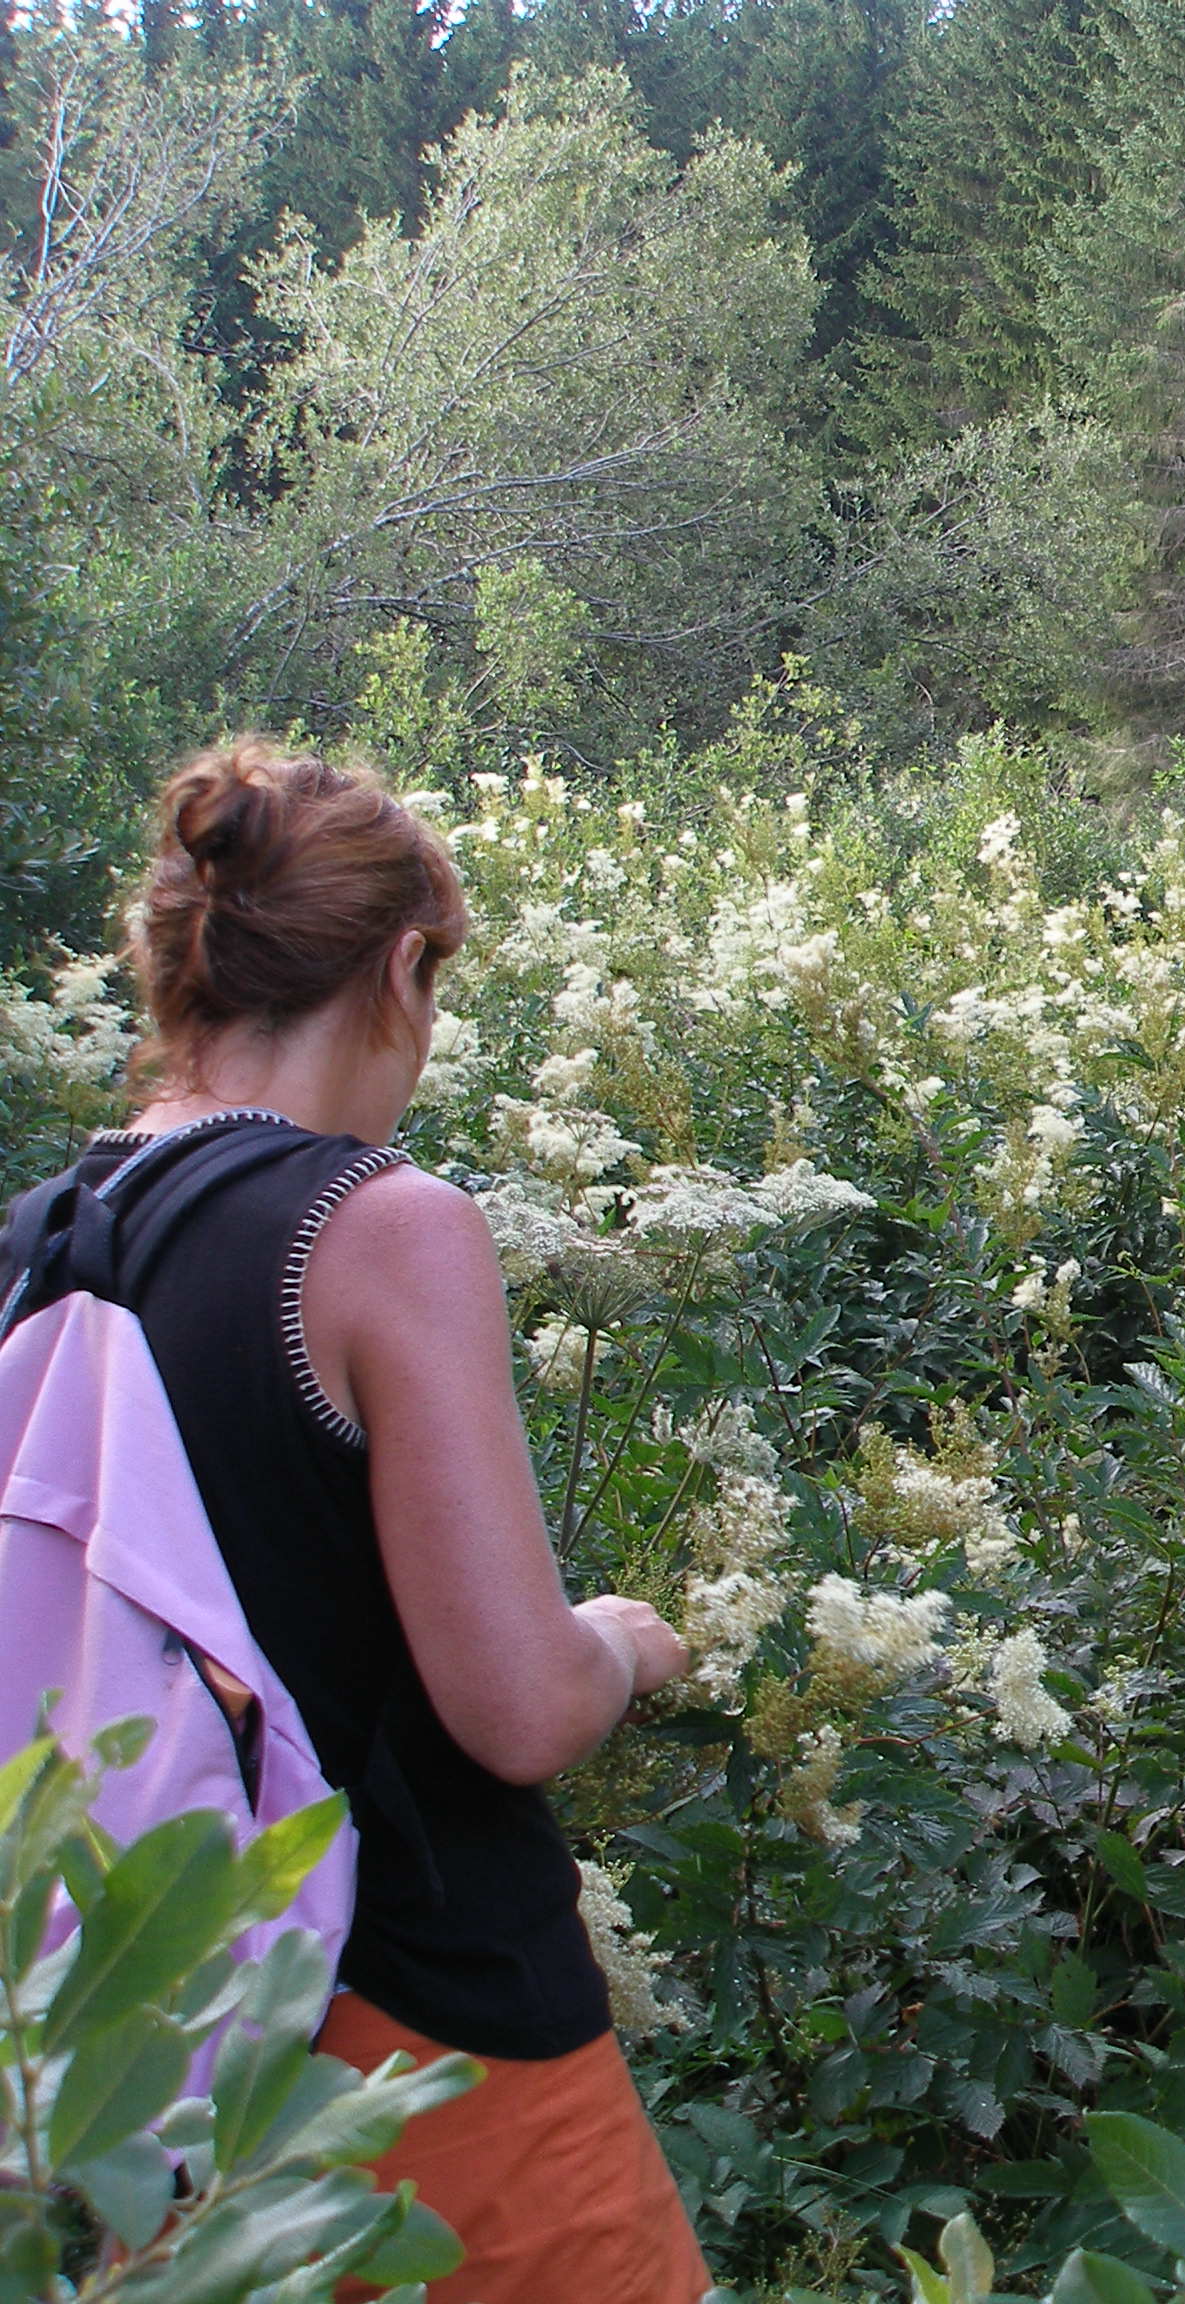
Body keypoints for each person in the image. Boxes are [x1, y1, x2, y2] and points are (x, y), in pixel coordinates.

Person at [23, 741, 706, 2302]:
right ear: (405, 964)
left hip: (160, 2037)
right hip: (416, 2024)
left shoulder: (52, 1235)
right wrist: (617, 1643)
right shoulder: (377, 1224)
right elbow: (515, 1708)